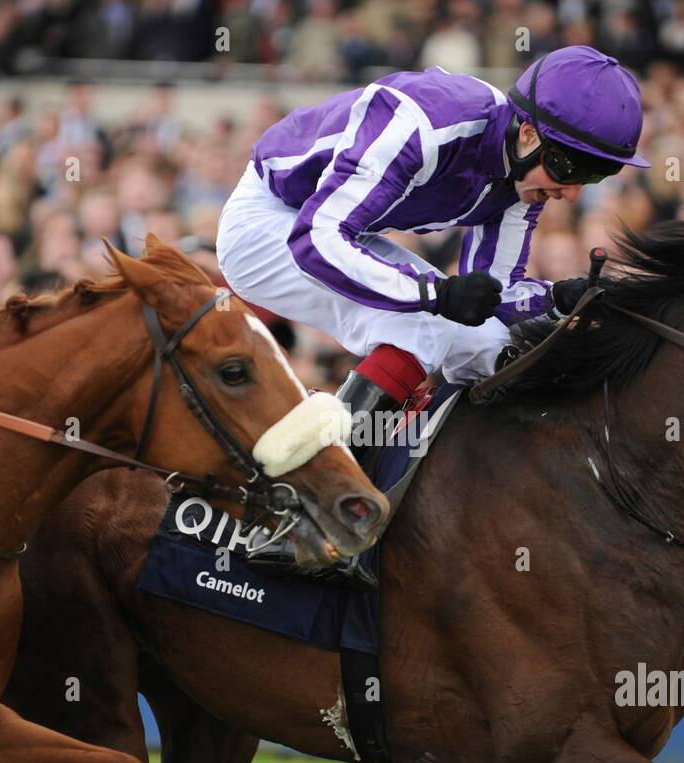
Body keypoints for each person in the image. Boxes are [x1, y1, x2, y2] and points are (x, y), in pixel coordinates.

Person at [216, 45, 649, 584]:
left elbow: (496, 296)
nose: (572, 190)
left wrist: (557, 298)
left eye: (597, 173)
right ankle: (309, 512)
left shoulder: (525, 174)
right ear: (530, 134)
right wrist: (435, 297)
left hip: (337, 231)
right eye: (572, 167)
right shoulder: (421, 123)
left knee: (488, 346)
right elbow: (316, 240)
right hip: (269, 225)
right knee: (422, 321)